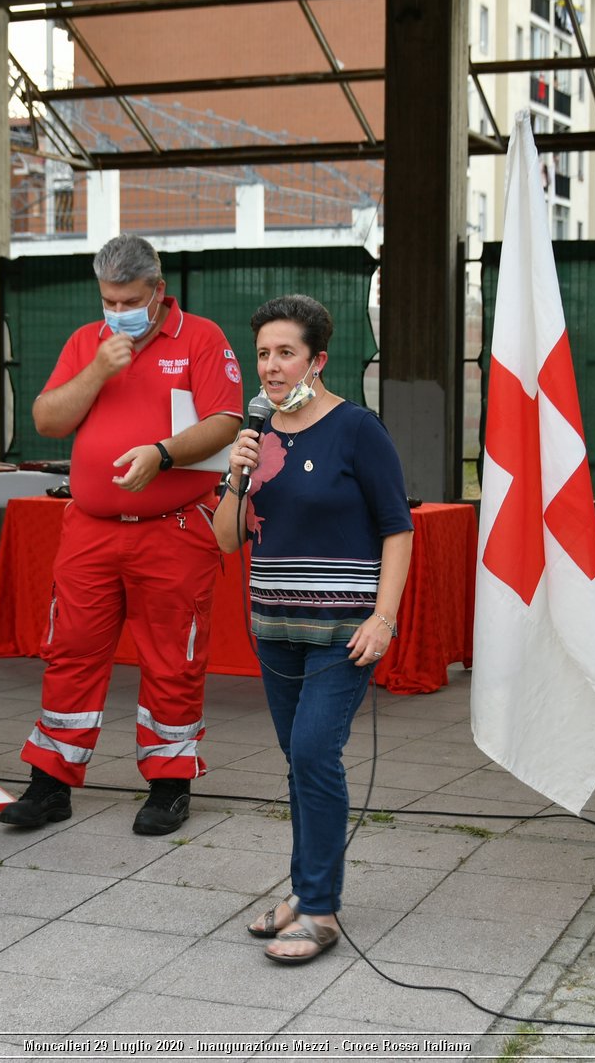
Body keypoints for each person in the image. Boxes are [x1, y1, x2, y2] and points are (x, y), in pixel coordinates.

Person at [0, 233, 243, 835]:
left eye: (129, 299)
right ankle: (51, 783)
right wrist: (97, 369)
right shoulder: (89, 342)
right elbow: (47, 418)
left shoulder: (202, 339)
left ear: (158, 293)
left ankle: (169, 786)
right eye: (108, 299)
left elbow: (225, 421)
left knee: (172, 657)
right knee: (71, 651)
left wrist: (162, 453)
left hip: (173, 529)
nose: (117, 311)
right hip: (90, 530)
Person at [212, 294, 413, 964]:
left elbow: (398, 529)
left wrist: (383, 618)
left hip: (343, 632)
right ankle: (304, 889)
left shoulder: (357, 429)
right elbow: (223, 540)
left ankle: (321, 908)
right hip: (275, 627)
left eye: (285, 352)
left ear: (318, 359)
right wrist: (238, 478)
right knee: (298, 764)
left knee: (313, 754)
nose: (270, 366)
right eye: (263, 353)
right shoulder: (255, 434)